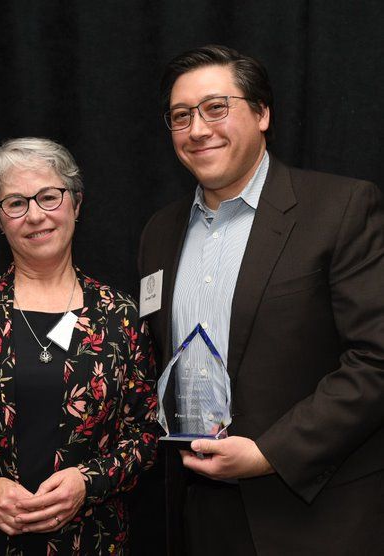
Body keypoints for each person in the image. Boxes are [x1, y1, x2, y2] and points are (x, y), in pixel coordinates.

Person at [138, 45, 384, 555]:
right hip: (194, 515)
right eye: (181, 116)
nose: (198, 129)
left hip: (310, 514)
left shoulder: (339, 209)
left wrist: (269, 453)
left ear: (263, 112)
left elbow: (375, 359)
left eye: (215, 107)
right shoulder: (158, 233)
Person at [0, 137, 158, 555]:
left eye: (49, 197)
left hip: (88, 542)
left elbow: (147, 432)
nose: (35, 216)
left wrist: (89, 482)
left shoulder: (120, 316)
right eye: (15, 203)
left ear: (76, 204)